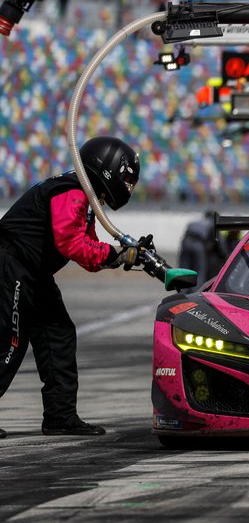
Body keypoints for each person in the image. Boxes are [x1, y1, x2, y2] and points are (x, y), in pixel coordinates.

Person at [0, 136, 146, 438]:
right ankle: (59, 414)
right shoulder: (72, 191)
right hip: (11, 265)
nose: (128, 185)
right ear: (107, 166)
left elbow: (87, 245)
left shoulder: (84, 195)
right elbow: (70, 242)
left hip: (33, 272)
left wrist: (117, 256)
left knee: (58, 336)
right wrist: (112, 255)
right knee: (9, 340)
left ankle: (60, 415)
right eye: (126, 177)